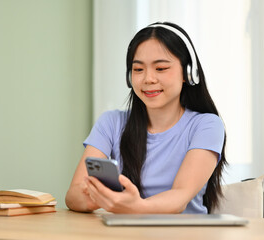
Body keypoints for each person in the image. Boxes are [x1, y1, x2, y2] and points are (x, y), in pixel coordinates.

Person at [65, 22, 227, 214]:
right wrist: (105, 198)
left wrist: (135, 206)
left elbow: (179, 198)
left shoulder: (207, 125)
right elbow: (73, 195)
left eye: (160, 68)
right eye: (138, 70)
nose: (148, 79)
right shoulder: (110, 123)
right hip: (127, 233)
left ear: (188, 73)